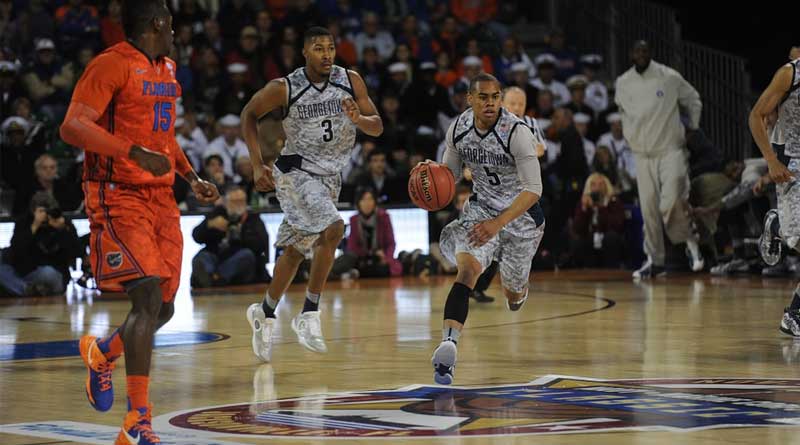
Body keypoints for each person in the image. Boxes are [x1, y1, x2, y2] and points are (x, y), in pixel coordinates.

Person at [58, 2, 219, 443]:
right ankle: (138, 421)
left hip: (162, 197)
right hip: (116, 194)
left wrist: (191, 176)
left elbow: (162, 140)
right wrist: (129, 153)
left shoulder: (167, 69)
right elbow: (72, 127)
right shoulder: (110, 65)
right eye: (172, 24)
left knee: (164, 307)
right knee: (146, 299)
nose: (176, 32)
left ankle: (102, 353)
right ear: (157, 24)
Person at [241, 26, 383, 362]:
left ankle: (264, 313)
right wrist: (257, 164)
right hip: (295, 173)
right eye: (318, 48)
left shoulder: (350, 80)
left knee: (294, 253)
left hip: (330, 178)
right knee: (334, 228)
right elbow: (249, 114)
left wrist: (358, 118)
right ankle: (309, 313)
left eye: (330, 48)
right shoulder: (285, 87)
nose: (326, 54)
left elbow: (377, 126)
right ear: (304, 52)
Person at [432, 73, 545, 384]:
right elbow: (449, 176)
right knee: (467, 272)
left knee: (512, 294)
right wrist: (429, 177)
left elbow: (534, 189)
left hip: (521, 218)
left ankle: (518, 290)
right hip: (481, 211)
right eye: (483, 97)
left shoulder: (517, 132)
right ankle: (448, 347)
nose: (491, 103)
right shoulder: (459, 128)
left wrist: (499, 223)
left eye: (495, 97)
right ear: (470, 99)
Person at [615, 40, 704, 278]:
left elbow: (694, 99)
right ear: (630, 54)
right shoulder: (622, 83)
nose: (641, 54)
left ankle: (690, 243)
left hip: (670, 150)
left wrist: (693, 126)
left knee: (671, 202)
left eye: (645, 50)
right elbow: (624, 115)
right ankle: (655, 260)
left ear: (650, 53)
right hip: (641, 155)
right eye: (637, 50)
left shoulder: (669, 76)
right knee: (649, 210)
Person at [749, 51, 800, 336]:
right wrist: (770, 160)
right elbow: (756, 115)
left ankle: (794, 315)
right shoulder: (790, 74)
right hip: (791, 163)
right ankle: (778, 226)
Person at [0, 192, 80, 297]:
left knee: (49, 273)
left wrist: (62, 230)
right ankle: (27, 289)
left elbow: (76, 251)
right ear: (33, 211)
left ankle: (23, 288)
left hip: (54, 273)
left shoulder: (62, 222)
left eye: (48, 210)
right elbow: (16, 250)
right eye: (41, 211)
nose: (46, 214)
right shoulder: (24, 222)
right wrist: (34, 226)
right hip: (27, 272)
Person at [191, 185, 270, 287]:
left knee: (246, 256)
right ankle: (211, 277)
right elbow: (196, 236)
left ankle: (215, 278)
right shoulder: (218, 214)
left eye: (241, 201)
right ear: (225, 202)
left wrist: (240, 233)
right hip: (217, 257)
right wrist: (209, 225)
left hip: (240, 259)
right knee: (202, 257)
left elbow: (260, 245)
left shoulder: (253, 218)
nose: (238, 205)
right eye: (234, 201)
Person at [329, 188, 401, 279]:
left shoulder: (384, 217)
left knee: (385, 270)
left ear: (375, 202)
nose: (367, 203)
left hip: (380, 259)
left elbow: (391, 243)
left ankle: (349, 274)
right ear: (358, 203)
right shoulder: (354, 219)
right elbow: (352, 246)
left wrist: (386, 257)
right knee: (349, 260)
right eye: (363, 199)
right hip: (361, 258)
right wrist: (370, 253)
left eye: (370, 199)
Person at [571, 173, 626, 268]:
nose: (597, 188)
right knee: (578, 242)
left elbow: (618, 225)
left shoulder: (614, 202)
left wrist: (601, 208)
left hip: (608, 239)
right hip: (590, 239)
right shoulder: (583, 202)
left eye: (601, 184)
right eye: (593, 184)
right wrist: (585, 209)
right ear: (588, 187)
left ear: (606, 186)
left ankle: (611, 271)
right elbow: (577, 229)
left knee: (611, 238)